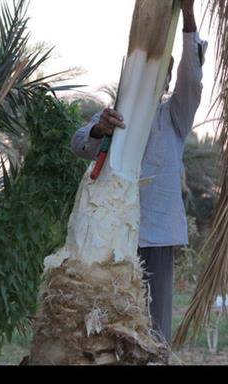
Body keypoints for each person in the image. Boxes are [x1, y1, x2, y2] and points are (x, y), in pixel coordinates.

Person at [70, 0, 206, 343]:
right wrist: (101, 130)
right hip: (111, 237)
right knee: (108, 324)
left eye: (163, 75)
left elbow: (192, 82)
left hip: (156, 235)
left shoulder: (173, 116)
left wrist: (188, 18)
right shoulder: (114, 117)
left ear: (166, 81)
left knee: (153, 328)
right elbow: (79, 144)